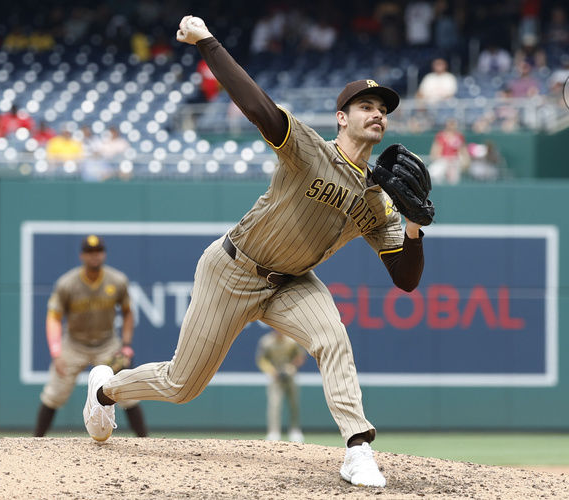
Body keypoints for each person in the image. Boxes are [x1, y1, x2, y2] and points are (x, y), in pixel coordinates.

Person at [83, 15, 428, 489]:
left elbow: (406, 279)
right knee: (182, 385)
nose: (376, 113)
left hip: (292, 282)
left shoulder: (379, 202)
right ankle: (104, 392)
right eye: (364, 105)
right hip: (232, 270)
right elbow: (256, 105)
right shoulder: (310, 149)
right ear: (342, 117)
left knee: (333, 338)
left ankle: (357, 449)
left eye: (382, 108)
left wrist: (413, 226)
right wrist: (208, 43)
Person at [34, 235, 147, 438]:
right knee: (54, 394)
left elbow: (128, 312)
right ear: (82, 256)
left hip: (107, 344)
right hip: (74, 344)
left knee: (127, 393)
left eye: (98, 252)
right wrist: (56, 352)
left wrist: (126, 345)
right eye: (90, 252)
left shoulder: (117, 280)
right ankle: (36, 441)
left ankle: (145, 441)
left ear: (103, 254)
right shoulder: (67, 283)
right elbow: (54, 318)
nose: (94, 256)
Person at [256, 329, 307, 443]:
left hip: (290, 375)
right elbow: (261, 359)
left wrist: (291, 366)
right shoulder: (266, 341)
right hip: (275, 377)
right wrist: (271, 371)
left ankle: (295, 431)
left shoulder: (292, 341)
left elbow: (300, 356)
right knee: (274, 404)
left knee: (294, 404)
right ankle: (273, 432)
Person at [428, 118, 469, 184]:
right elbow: (434, 152)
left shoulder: (459, 136)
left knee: (453, 178)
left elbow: (463, 151)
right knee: (433, 173)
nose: (452, 126)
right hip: (443, 160)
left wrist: (465, 161)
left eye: (453, 124)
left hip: (455, 161)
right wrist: (441, 159)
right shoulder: (441, 136)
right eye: (450, 124)